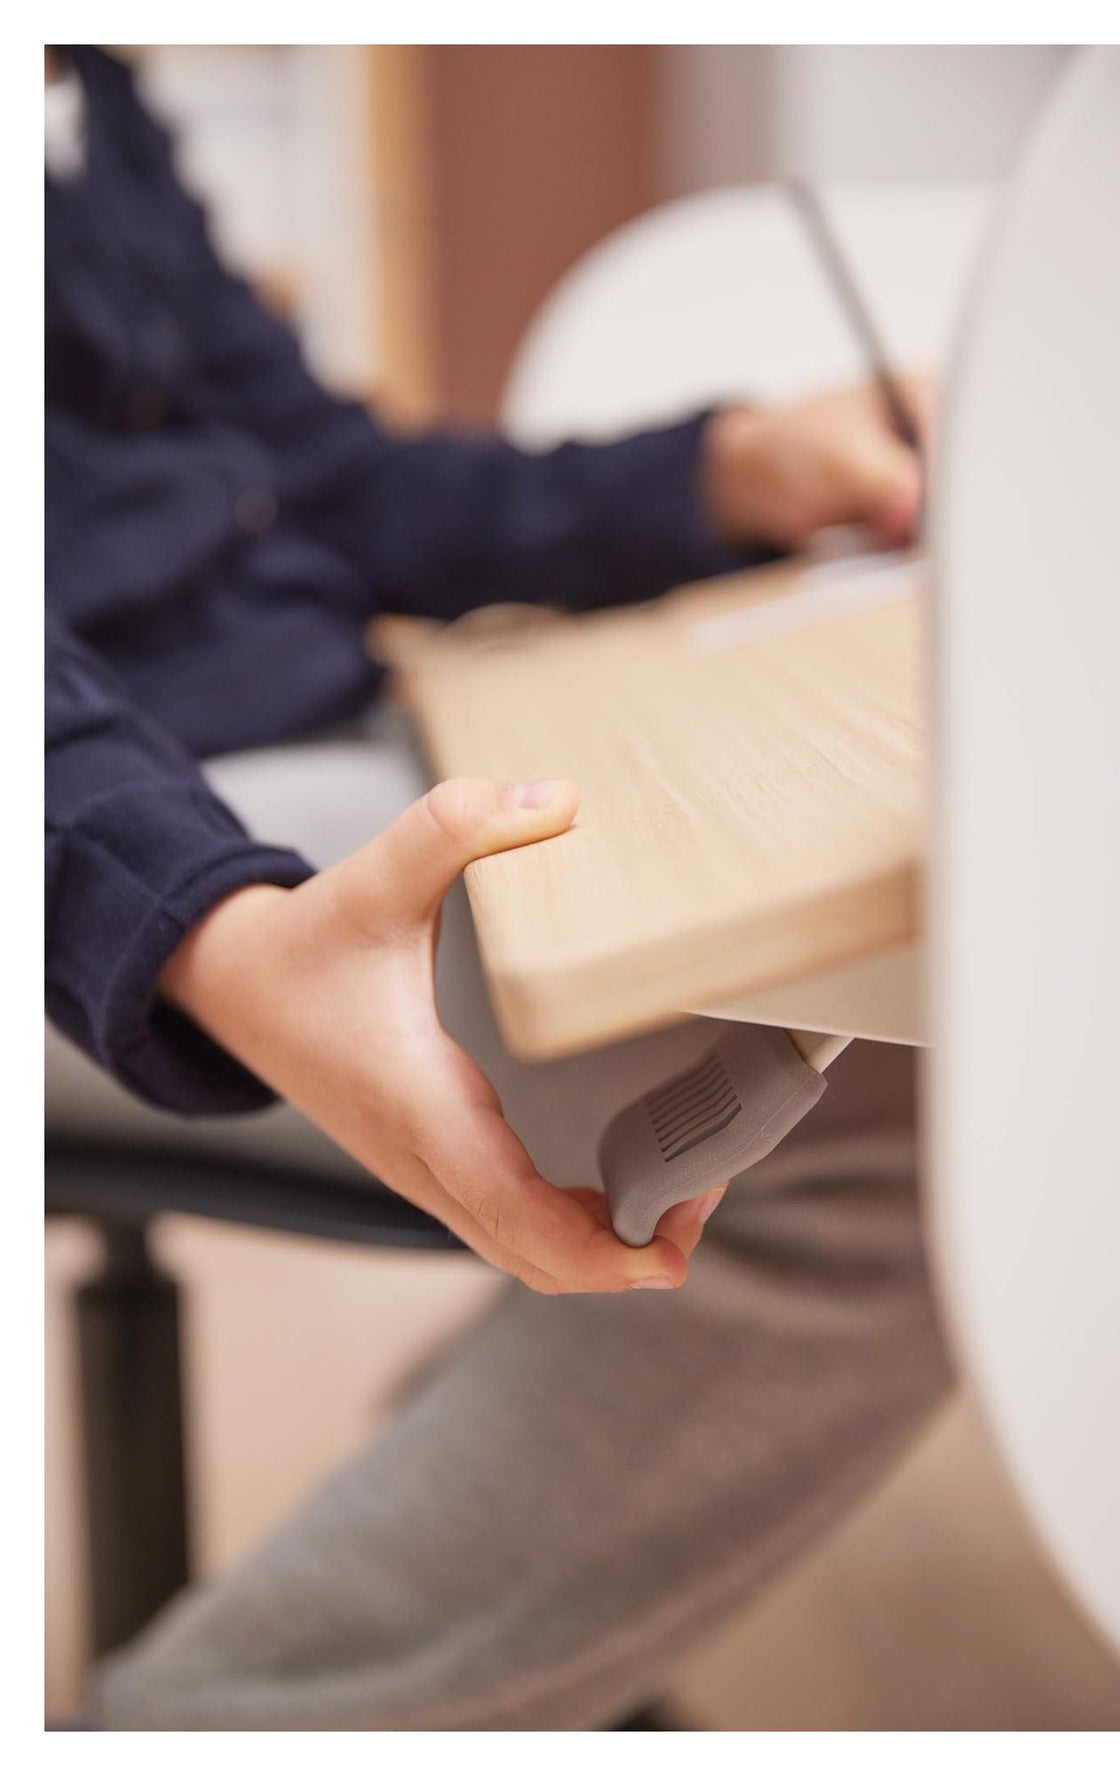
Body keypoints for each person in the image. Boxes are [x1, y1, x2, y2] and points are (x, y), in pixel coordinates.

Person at [47, 45, 950, 1728]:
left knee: (861, 979)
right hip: (109, 825)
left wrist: (723, 468)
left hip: (302, 734)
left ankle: (492, 1544)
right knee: (894, 1102)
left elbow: (328, 481)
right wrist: (207, 923)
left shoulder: (78, 75)